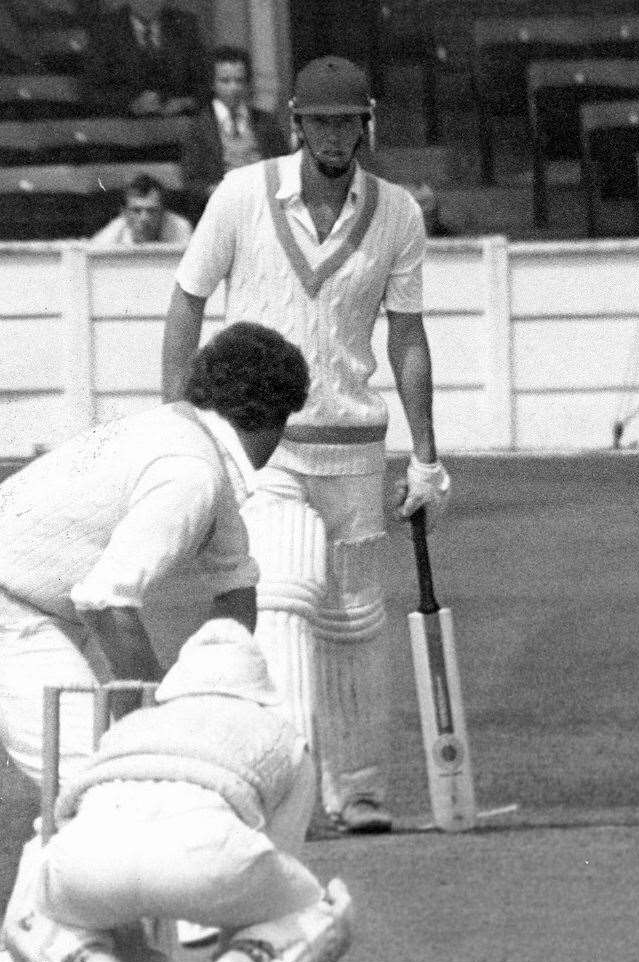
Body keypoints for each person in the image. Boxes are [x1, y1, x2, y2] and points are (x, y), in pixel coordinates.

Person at [160, 55, 450, 835]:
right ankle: (282, 787)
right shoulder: (242, 195)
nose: (333, 135)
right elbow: (186, 302)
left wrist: (425, 454)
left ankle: (357, 790)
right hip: (264, 447)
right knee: (284, 597)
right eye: (319, 121)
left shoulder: (396, 214)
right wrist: (177, 416)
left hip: (355, 445)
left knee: (355, 619)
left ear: (366, 123)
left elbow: (408, 337)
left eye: (346, 121)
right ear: (295, 123)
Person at [0, 322, 308, 962]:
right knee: (96, 788)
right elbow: (108, 597)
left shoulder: (189, 441)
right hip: (11, 608)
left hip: (35, 604)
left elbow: (235, 584)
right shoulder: (191, 471)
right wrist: (164, 724)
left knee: (102, 793)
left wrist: (223, 710)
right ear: (274, 420)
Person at [3, 619, 354, 962]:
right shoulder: (285, 738)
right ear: (257, 687)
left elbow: (67, 815)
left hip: (88, 856)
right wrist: (233, 946)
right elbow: (277, 857)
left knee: (31, 915)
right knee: (326, 908)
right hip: (212, 860)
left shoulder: (131, 725)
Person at [180, 46, 290, 214]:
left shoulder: (266, 123)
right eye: (225, 81)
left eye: (240, 81)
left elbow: (284, 168)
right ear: (212, 84)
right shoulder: (198, 128)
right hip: (220, 209)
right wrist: (219, 192)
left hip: (265, 208)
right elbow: (191, 181)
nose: (234, 88)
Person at [82, 0, 207, 117]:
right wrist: (131, 105)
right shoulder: (105, 28)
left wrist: (185, 102)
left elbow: (205, 82)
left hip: (180, 122)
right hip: (123, 125)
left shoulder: (185, 24)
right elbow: (90, 90)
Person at [90, 174, 194, 246]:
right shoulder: (108, 238)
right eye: (136, 211)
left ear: (163, 212)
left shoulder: (180, 228)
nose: (145, 218)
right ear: (124, 214)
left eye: (152, 211)